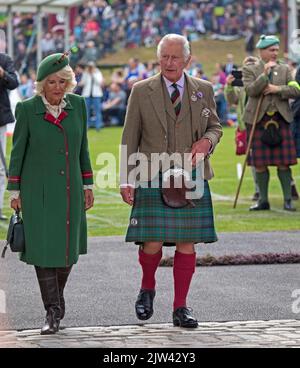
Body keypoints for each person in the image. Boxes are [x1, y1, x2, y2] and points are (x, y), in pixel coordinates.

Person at [120, 34, 222, 328]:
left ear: (188, 60)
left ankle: (181, 308)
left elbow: (215, 126)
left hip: (191, 174)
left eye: (175, 57)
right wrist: (126, 179)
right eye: (164, 56)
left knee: (186, 242)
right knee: (152, 241)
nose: (169, 62)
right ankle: (147, 288)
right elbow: (130, 136)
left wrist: (207, 141)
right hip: (152, 172)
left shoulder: (203, 89)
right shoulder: (141, 90)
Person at [7, 52, 94, 335]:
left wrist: (88, 184)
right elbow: (17, 152)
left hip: (71, 190)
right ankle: (53, 311)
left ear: (69, 82)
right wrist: (15, 189)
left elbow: (83, 148)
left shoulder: (78, 106)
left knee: (67, 249)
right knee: (44, 250)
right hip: (37, 193)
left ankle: (54, 304)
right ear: (41, 84)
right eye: (51, 82)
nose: (57, 87)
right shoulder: (27, 109)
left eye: (62, 81)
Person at [243, 35, 300, 211]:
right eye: (271, 50)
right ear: (262, 51)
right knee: (259, 164)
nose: (275, 53)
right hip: (258, 120)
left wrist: (278, 89)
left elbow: (296, 90)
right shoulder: (250, 69)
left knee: (284, 163)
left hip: (280, 119)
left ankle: (288, 200)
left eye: (276, 49)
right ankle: (263, 200)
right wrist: (264, 75)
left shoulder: (285, 69)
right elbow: (251, 90)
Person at [225, 56, 260, 201]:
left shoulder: (261, 82)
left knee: (278, 160)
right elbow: (232, 100)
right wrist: (229, 86)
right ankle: (258, 190)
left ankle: (290, 185)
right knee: (252, 160)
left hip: (260, 124)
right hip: (245, 125)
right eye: (247, 67)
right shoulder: (239, 85)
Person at [0, 41, 19, 221]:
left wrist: (2, 73)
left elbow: (14, 82)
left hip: (0, 118)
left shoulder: (5, 60)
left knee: (0, 166)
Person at [79, 61, 104, 131]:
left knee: (97, 111)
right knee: (86, 111)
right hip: (87, 94)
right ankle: (86, 126)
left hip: (96, 94)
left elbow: (99, 82)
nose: (90, 68)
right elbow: (83, 83)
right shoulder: (85, 73)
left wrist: (93, 74)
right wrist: (86, 74)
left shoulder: (98, 73)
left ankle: (98, 126)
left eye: (91, 67)